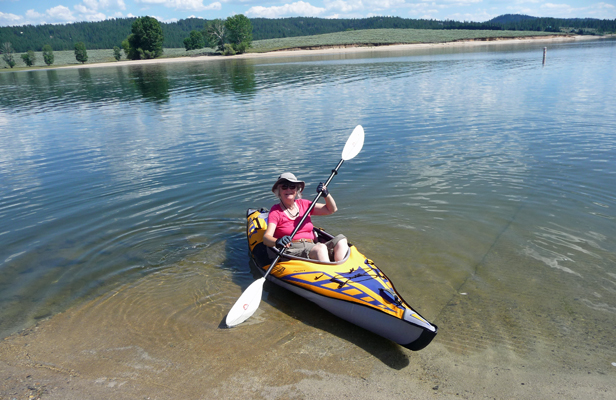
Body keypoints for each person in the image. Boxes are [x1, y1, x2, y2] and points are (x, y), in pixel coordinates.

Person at [263, 172, 349, 262]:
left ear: (297, 190)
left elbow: (331, 209)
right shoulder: (275, 211)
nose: (288, 189)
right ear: (279, 191)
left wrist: (326, 195)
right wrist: (278, 241)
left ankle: (340, 268)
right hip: (292, 249)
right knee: (321, 248)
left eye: (292, 186)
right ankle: (329, 273)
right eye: (284, 187)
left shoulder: (304, 204)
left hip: (312, 245)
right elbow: (266, 238)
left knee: (341, 239)